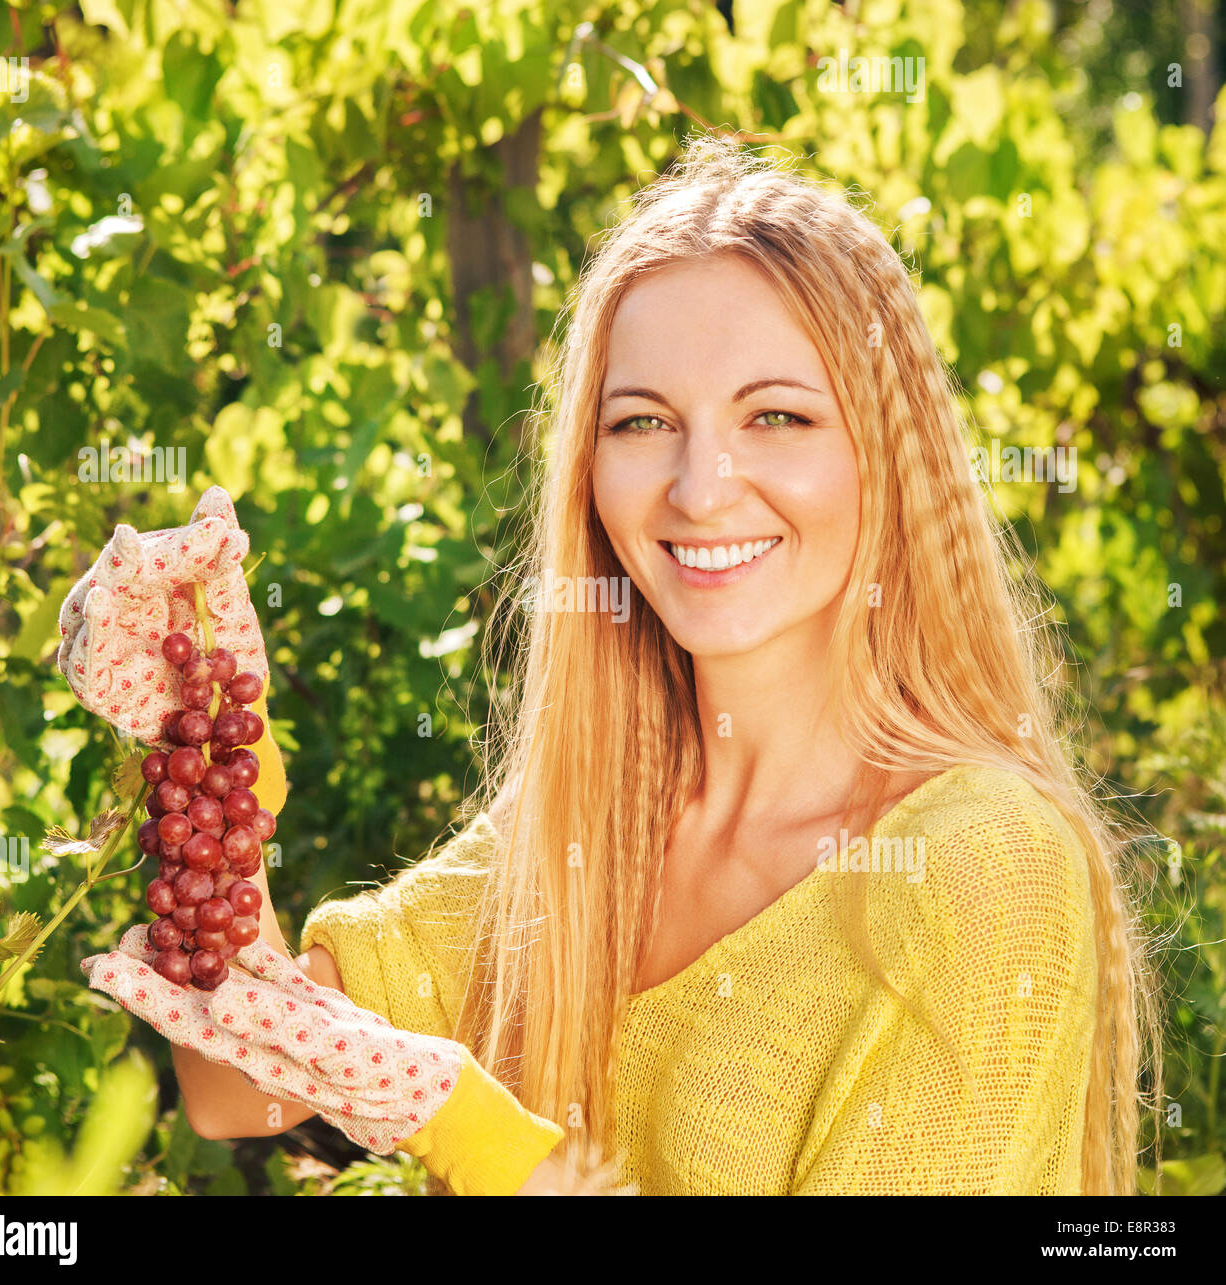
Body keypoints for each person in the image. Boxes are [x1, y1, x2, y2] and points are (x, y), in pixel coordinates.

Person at [70, 134, 1161, 1196]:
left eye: (776, 415)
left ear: (888, 449)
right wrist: (211, 768)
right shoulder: (585, 831)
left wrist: (472, 1132)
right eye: (642, 423)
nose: (699, 487)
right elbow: (236, 1092)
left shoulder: (980, 866)